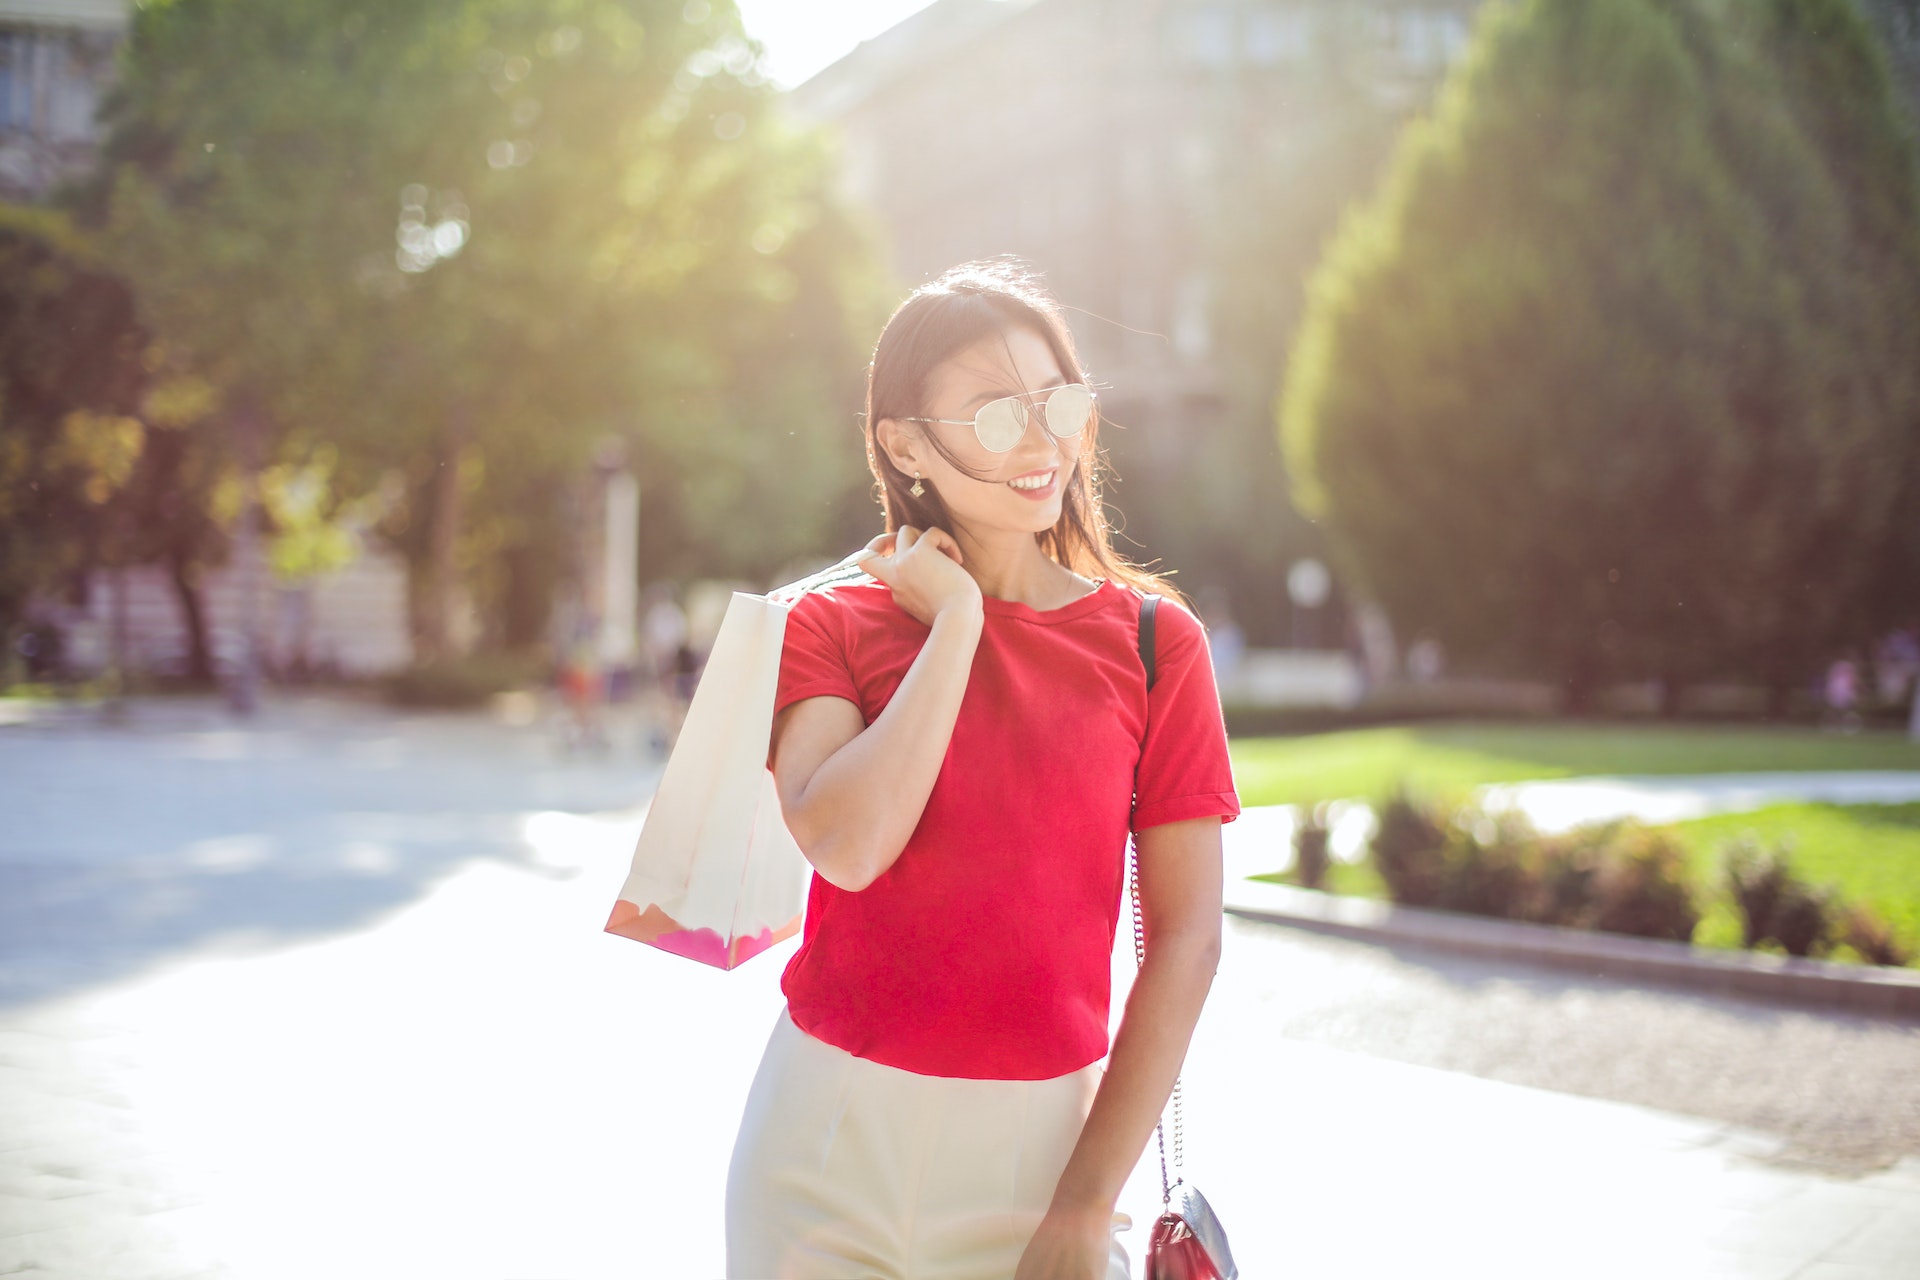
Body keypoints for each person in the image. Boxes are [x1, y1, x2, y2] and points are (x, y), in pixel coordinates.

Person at [726, 260, 1240, 1280]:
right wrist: (957, 623)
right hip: (822, 1145)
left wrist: (1088, 1200)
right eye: (999, 414)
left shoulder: (1154, 645)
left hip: (1044, 1159)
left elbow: (1189, 937)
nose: (1045, 440)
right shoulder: (829, 624)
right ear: (905, 442)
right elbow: (849, 841)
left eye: (1060, 402)